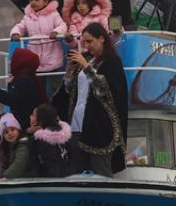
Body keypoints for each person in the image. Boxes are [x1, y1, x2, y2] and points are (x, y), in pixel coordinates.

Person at [51, 22, 128, 176]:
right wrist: (69, 74)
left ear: (102, 39)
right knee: (76, 170)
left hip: (99, 125)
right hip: (78, 122)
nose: (87, 46)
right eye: (84, 42)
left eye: (90, 41)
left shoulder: (112, 61)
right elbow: (71, 91)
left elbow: (104, 91)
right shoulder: (89, 61)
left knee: (101, 170)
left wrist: (86, 67)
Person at [0, 47, 47, 130]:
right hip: (29, 123)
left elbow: (11, 99)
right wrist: (11, 83)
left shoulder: (24, 81)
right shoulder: (30, 78)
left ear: (21, 63)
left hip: (26, 125)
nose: (10, 62)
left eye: (13, 59)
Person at [10, 0, 68, 75]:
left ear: (46, 2)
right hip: (34, 58)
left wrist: (56, 32)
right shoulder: (27, 17)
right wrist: (15, 33)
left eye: (37, 0)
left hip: (53, 57)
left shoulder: (53, 14)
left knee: (54, 82)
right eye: (31, 0)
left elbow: (62, 25)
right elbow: (20, 26)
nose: (33, 2)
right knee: (38, 82)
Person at [28, 103, 73, 178]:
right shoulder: (63, 134)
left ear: (39, 120)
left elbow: (50, 165)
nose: (30, 116)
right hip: (67, 176)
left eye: (33, 115)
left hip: (51, 180)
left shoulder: (43, 140)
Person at [0, 112, 37, 179]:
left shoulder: (23, 144)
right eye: (6, 132)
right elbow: (3, 165)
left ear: (18, 130)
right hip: (18, 180)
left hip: (30, 180)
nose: (10, 133)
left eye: (12, 129)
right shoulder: (6, 148)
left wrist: (6, 177)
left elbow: (20, 162)